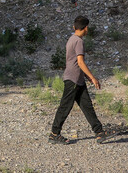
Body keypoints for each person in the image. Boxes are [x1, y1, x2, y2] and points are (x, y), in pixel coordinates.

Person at [48, 16, 116, 144]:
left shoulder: (71, 39)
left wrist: (85, 77)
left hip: (77, 80)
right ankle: (54, 134)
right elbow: (80, 62)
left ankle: (99, 132)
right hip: (73, 80)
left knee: (87, 106)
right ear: (86, 28)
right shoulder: (79, 41)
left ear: (74, 27)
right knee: (65, 107)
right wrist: (92, 77)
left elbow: (73, 62)